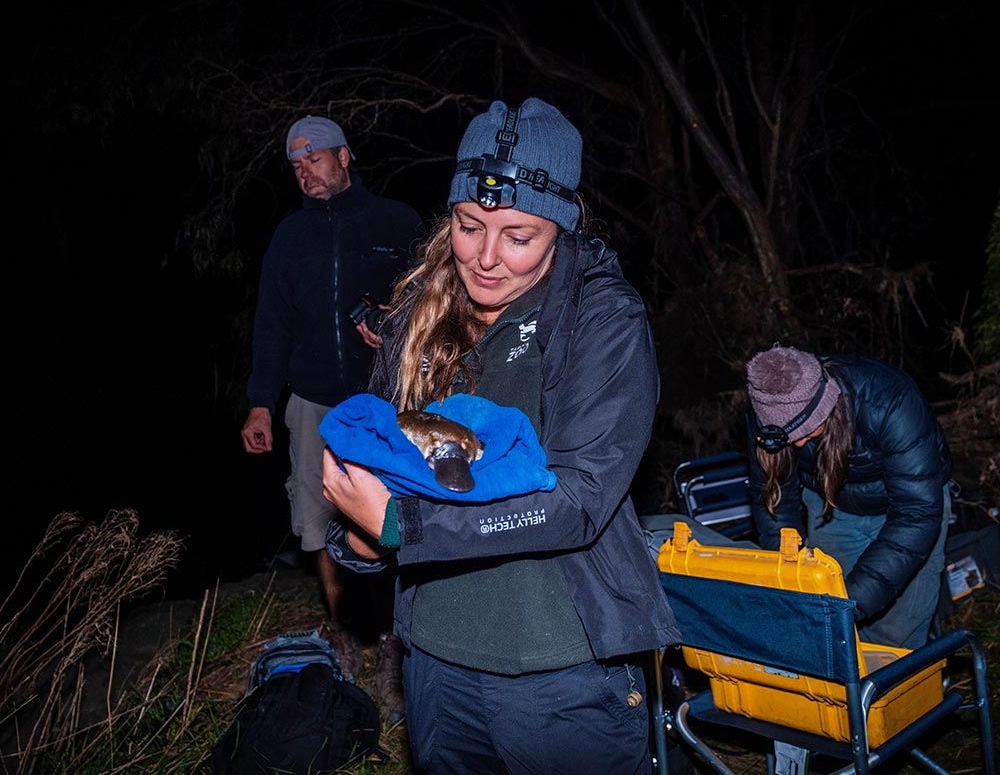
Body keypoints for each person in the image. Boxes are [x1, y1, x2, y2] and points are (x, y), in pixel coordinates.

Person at [321, 97, 680, 774]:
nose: (486, 258)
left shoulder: (600, 320)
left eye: (518, 236)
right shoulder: (416, 315)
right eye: (467, 225)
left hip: (562, 671)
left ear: (562, 229)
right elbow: (381, 455)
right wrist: (359, 530)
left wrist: (404, 527)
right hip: (433, 660)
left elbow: (578, 498)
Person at [240, 114, 423, 717]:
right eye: (295, 165)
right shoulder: (289, 237)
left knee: (392, 518)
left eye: (314, 159)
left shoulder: (396, 222)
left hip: (386, 402)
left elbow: (431, 305)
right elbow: (271, 325)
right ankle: (344, 641)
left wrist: (393, 329)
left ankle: (396, 649)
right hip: (314, 402)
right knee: (320, 523)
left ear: (344, 156)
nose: (305, 172)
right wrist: (261, 403)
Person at [745, 343, 954, 649]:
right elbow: (774, 500)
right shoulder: (766, 410)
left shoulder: (890, 400)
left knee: (895, 636)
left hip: (912, 509)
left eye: (806, 429)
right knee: (837, 636)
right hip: (832, 504)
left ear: (828, 404)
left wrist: (851, 604)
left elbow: (918, 512)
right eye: (788, 437)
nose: (799, 443)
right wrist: (788, 574)